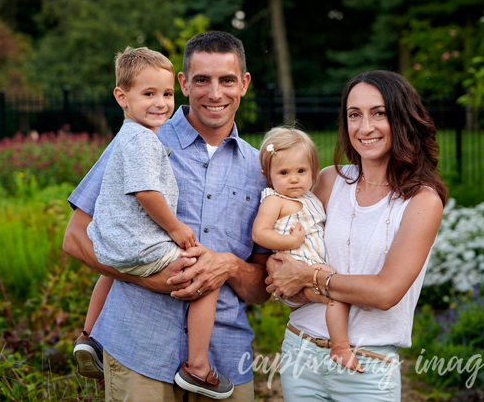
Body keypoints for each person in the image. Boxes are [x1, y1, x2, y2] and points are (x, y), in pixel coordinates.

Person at [63, 31, 271, 402]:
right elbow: (76, 236)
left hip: (223, 357)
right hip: (138, 348)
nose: (215, 93)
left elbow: (259, 289)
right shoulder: (141, 139)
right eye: (202, 80)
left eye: (226, 80)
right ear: (183, 83)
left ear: (244, 84)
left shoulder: (260, 170)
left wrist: (228, 267)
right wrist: (150, 280)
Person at [266, 70, 447, 401]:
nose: (365, 127)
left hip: (367, 367)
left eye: (379, 113)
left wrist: (310, 276)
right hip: (300, 352)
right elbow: (282, 269)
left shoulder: (422, 201)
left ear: (403, 118)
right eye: (354, 115)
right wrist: (294, 284)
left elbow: (384, 292)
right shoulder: (328, 181)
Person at [251, 127, 363, 373]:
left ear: (313, 169)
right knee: (338, 295)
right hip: (296, 267)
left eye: (301, 171)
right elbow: (260, 233)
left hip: (310, 267)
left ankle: (338, 344)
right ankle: (341, 347)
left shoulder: (310, 197)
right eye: (283, 172)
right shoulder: (275, 201)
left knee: (338, 292)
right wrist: (290, 242)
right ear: (267, 174)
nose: (294, 179)